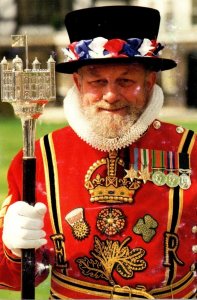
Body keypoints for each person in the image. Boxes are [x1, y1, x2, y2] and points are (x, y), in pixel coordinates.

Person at [0, 5, 196, 299]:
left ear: (149, 82)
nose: (110, 95)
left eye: (126, 81)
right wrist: (13, 248)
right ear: (77, 84)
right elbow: (14, 277)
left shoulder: (190, 151)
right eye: (97, 81)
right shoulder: (40, 158)